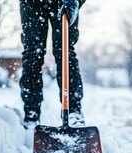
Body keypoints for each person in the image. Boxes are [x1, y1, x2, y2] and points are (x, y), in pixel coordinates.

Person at [19, 0, 86, 128]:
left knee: (65, 51)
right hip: (32, 3)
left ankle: (73, 112)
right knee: (33, 53)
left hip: (64, 1)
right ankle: (31, 113)